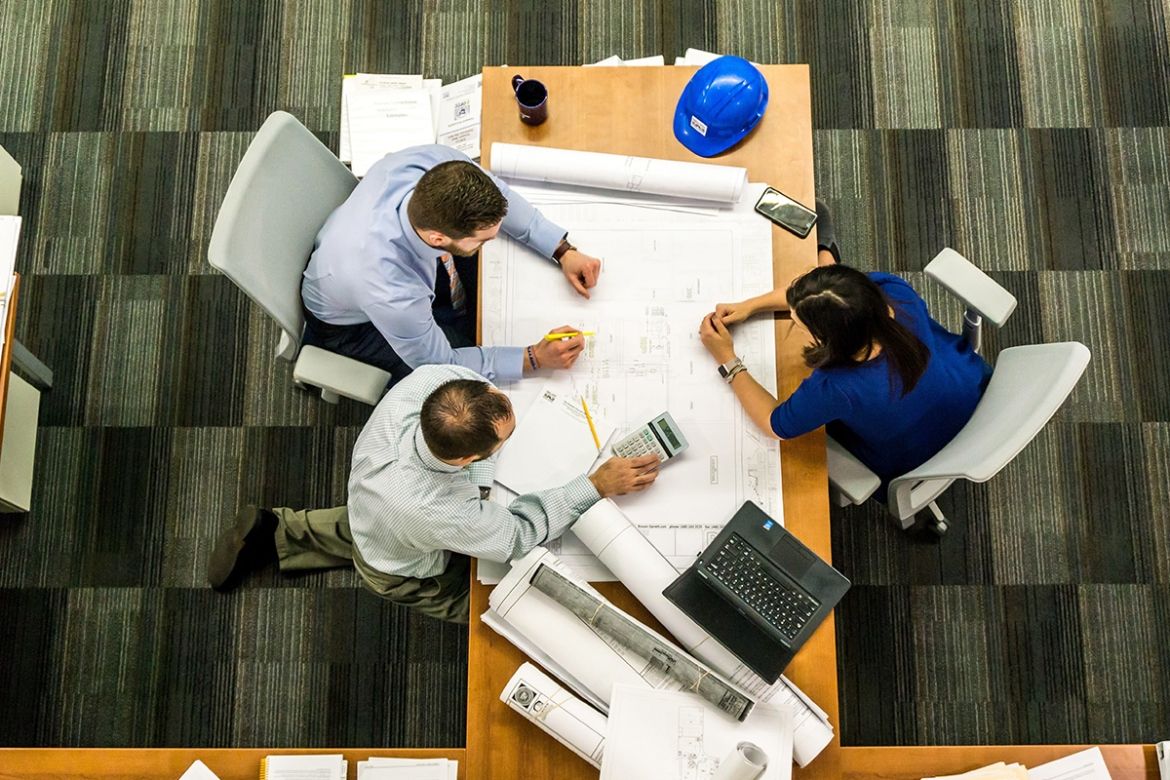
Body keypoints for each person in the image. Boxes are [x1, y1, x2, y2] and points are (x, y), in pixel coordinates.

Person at [207, 364, 661, 623]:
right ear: (466, 459)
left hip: (374, 502)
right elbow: (517, 536)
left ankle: (277, 530)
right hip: (401, 565)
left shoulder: (431, 383)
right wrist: (594, 485)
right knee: (491, 606)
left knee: (368, 524)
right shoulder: (437, 510)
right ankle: (496, 617)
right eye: (503, 441)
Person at [697, 202, 991, 500]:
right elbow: (832, 293)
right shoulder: (892, 291)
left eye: (799, 324)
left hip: (917, 456)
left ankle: (826, 251)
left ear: (829, 339)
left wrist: (727, 359)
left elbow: (775, 424)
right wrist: (750, 306)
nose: (794, 323)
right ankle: (827, 252)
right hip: (971, 388)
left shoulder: (837, 387)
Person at [302, 144, 604, 386]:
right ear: (437, 238)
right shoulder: (391, 291)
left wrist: (561, 249)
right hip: (353, 326)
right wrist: (533, 358)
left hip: (356, 254)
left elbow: (502, 196)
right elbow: (440, 363)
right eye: (483, 239)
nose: (493, 239)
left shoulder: (435, 164)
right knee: (463, 384)